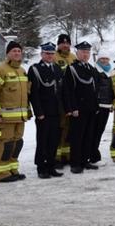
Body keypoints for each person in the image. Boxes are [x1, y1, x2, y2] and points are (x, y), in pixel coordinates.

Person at [0, 41, 31, 183]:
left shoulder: (22, 70)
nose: (17, 53)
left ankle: (12, 169)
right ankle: (1, 173)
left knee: (17, 144)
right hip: (4, 118)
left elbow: (26, 94)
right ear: (8, 53)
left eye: (19, 51)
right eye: (14, 51)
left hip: (20, 118)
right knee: (4, 144)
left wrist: (28, 111)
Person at [28, 42, 65, 179]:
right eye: (47, 53)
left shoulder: (57, 68)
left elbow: (61, 91)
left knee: (54, 140)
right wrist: (39, 112)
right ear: (42, 54)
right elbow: (34, 94)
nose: (50, 56)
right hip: (44, 111)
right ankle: (41, 167)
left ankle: (51, 165)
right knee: (43, 140)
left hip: (56, 111)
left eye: (52, 53)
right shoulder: (35, 69)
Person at [62, 41, 100, 174]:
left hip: (90, 108)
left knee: (88, 136)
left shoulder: (91, 68)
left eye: (87, 52)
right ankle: (75, 163)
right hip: (78, 109)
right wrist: (72, 108)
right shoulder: (72, 69)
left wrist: (96, 106)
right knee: (77, 137)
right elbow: (68, 91)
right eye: (83, 52)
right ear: (77, 53)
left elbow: (95, 90)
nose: (86, 54)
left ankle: (85, 160)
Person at [54, 33, 75, 167]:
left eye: (67, 43)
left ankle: (67, 155)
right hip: (59, 99)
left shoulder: (73, 57)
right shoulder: (54, 57)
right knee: (60, 129)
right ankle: (57, 158)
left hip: (72, 98)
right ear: (58, 44)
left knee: (69, 129)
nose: (65, 45)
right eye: (63, 43)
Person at [90, 50, 115, 164]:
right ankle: (93, 154)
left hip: (106, 105)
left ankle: (94, 152)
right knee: (95, 131)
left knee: (100, 130)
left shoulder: (111, 71)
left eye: (106, 59)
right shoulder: (95, 71)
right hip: (98, 105)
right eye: (102, 59)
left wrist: (112, 103)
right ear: (98, 60)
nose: (104, 61)